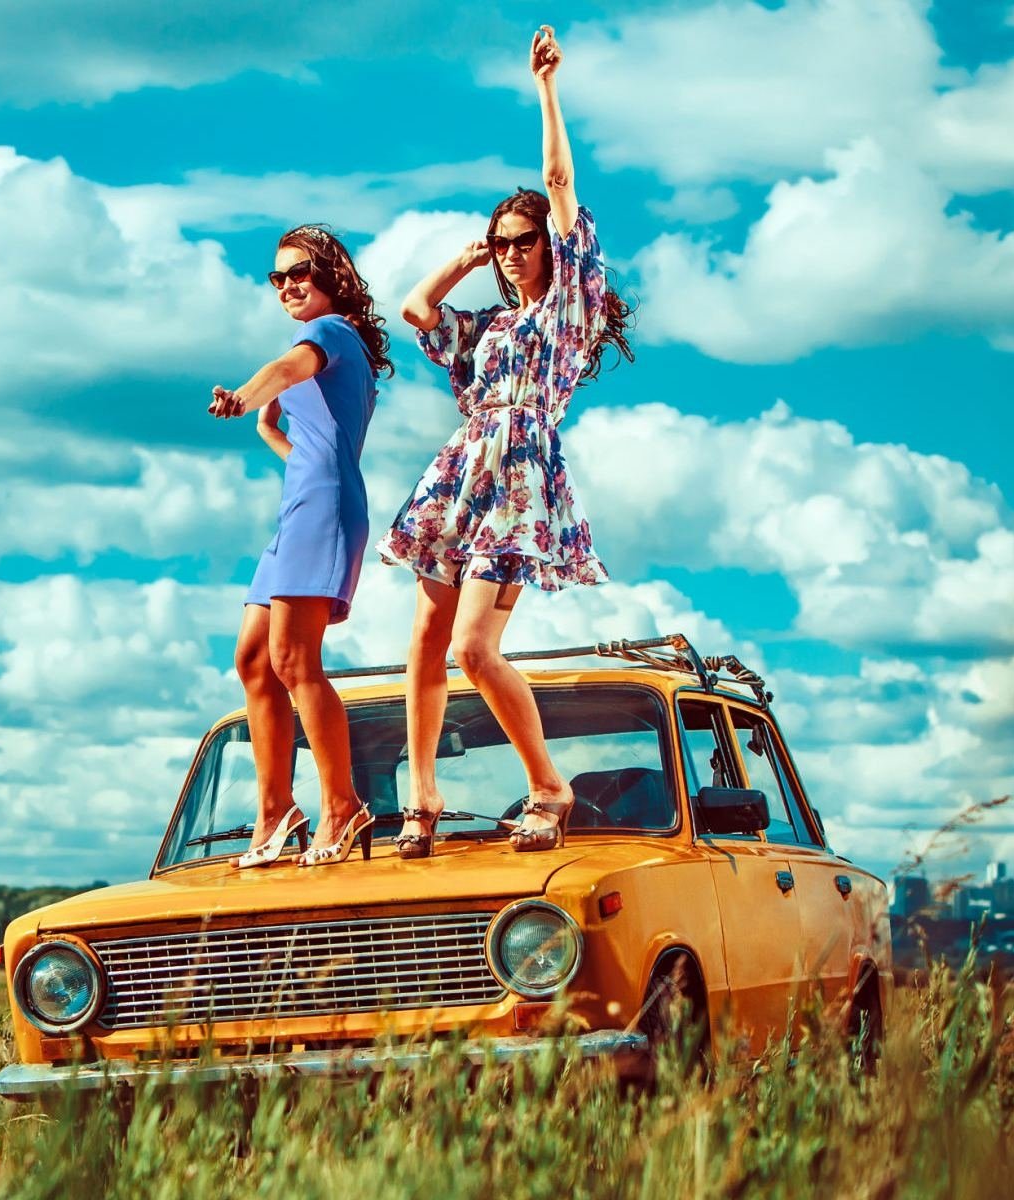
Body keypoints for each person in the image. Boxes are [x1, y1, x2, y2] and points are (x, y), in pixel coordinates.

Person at [375, 25, 635, 857]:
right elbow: (416, 311)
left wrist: (547, 88)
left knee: (474, 648)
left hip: (520, 476)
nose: (515, 254)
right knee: (422, 641)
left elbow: (559, 180)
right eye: (504, 244)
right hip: (462, 472)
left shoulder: (569, 309)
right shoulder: (489, 323)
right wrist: (463, 258)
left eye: (525, 241)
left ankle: (548, 785)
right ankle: (420, 797)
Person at [209, 224, 391, 869]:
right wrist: (271, 430)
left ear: (330, 277)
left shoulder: (331, 332)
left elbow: (287, 369)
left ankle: (342, 805)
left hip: (324, 509)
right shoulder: (335, 345)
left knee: (294, 659)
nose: (287, 285)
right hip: (301, 506)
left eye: (299, 273)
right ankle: (276, 808)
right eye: (277, 277)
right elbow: (316, 448)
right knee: (254, 660)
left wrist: (245, 397)